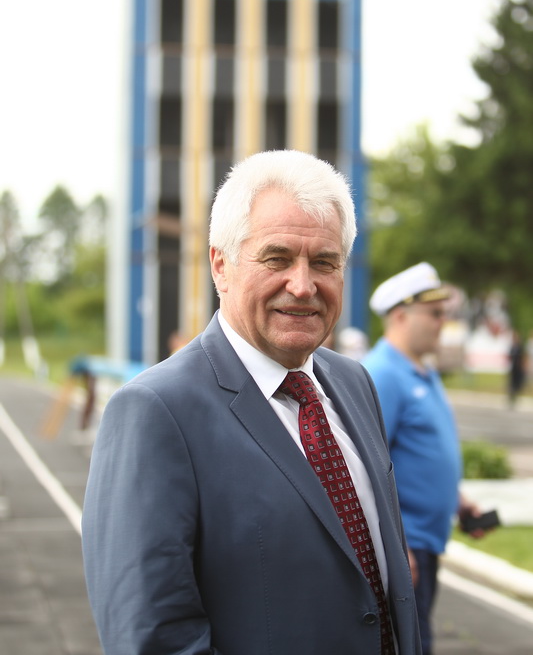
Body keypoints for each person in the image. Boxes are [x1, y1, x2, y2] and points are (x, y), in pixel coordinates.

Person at [82, 150, 421, 655]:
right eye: (277, 258)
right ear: (221, 265)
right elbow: (153, 638)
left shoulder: (354, 383)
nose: (302, 286)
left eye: (324, 262)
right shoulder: (155, 411)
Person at [362, 263, 486, 655]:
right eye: (434, 313)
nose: (442, 322)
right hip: (407, 546)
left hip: (424, 542)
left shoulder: (421, 372)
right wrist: (396, 547)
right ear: (401, 316)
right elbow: (368, 467)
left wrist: (459, 502)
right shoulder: (383, 374)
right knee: (410, 644)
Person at [507, 328, 526, 407]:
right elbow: (509, 356)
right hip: (513, 367)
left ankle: (516, 396)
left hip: (518, 368)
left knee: (518, 383)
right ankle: (511, 397)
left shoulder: (520, 347)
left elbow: (522, 357)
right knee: (512, 383)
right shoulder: (512, 347)